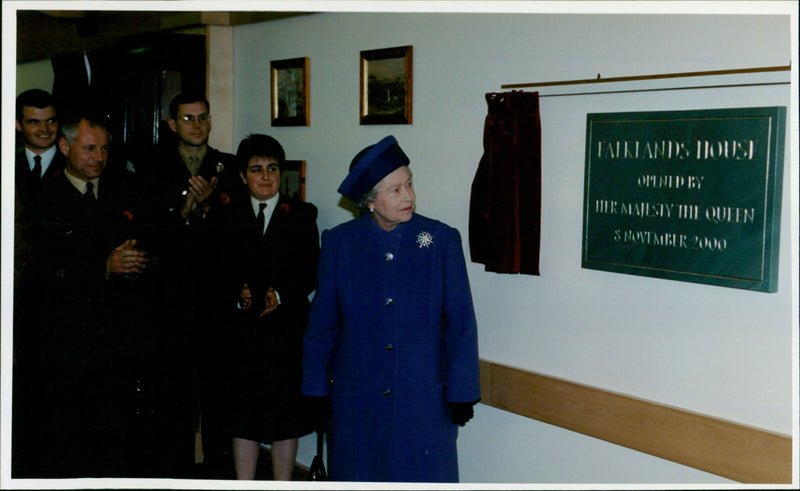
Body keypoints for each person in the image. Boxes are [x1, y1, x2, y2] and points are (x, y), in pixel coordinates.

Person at [301, 135, 481, 482]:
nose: (409, 196)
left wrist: (462, 392)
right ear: (369, 200)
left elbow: (461, 324)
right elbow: (322, 325)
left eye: (409, 184)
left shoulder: (441, 241)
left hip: (424, 406)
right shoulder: (340, 244)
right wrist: (315, 389)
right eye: (395, 190)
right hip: (357, 407)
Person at [28, 110, 151, 477]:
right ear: (65, 147)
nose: (98, 157)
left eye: (105, 149)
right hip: (68, 346)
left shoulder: (121, 191)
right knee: (70, 442)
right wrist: (103, 266)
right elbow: (40, 274)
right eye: (90, 148)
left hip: (119, 341)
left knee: (118, 439)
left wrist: (139, 262)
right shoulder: (42, 200)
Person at [140, 93, 241, 475]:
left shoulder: (228, 167)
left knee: (217, 383)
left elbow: (238, 230)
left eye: (202, 118)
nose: (196, 126)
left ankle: (216, 465)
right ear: (172, 125)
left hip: (215, 294)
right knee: (170, 385)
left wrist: (211, 207)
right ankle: (170, 466)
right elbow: (147, 232)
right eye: (187, 119)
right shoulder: (151, 167)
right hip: (168, 295)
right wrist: (182, 212)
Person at [210, 134, 320, 480]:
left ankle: (282, 486)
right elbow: (212, 269)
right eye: (256, 170)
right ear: (242, 176)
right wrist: (235, 290)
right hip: (240, 335)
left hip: (284, 334)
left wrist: (282, 293)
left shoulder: (302, 214)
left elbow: (310, 271)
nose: (266, 177)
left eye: (272, 169)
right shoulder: (225, 214)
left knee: (285, 419)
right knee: (243, 418)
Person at [12, 89, 67, 477]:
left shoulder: (74, 166)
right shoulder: (8, 167)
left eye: (50, 121)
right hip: (17, 301)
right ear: (19, 125)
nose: (44, 129)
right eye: (34, 121)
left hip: (62, 300)